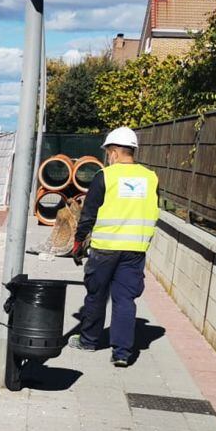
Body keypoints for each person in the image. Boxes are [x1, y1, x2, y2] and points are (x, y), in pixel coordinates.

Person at [68, 127, 160, 367]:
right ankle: (121, 353)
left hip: (105, 248)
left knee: (97, 295)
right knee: (125, 299)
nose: (109, 157)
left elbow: (89, 213)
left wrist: (78, 242)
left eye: (109, 152)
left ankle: (89, 341)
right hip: (135, 249)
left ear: (115, 152)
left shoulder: (105, 176)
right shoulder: (150, 178)